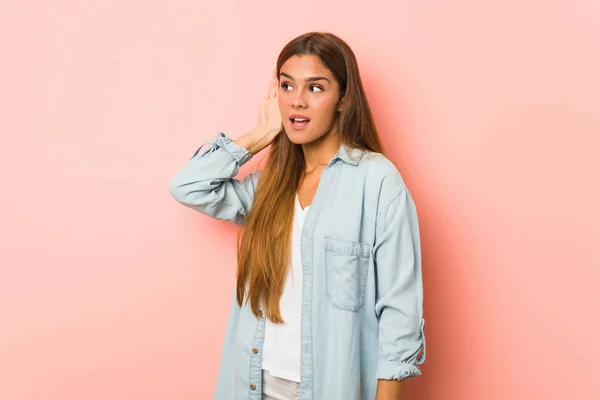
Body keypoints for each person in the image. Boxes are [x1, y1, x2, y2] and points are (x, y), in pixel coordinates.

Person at [169, 31, 426, 400]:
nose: (298, 102)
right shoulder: (269, 188)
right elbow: (188, 186)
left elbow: (400, 312)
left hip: (331, 388)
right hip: (256, 385)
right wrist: (262, 133)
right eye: (287, 87)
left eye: (316, 88)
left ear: (343, 99)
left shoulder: (376, 181)